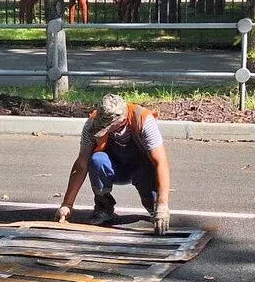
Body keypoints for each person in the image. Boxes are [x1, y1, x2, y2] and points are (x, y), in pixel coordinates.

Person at [55, 93, 172, 232]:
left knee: (148, 170)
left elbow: (161, 162)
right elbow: (81, 163)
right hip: (114, 167)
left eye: (106, 127)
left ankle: (153, 207)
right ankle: (104, 208)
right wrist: (67, 204)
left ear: (121, 121)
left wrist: (162, 204)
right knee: (97, 160)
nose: (102, 129)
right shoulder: (92, 124)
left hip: (141, 168)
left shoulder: (143, 120)